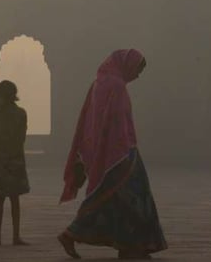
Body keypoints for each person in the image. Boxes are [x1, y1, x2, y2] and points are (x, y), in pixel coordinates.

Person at [57, 49, 168, 260]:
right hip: (120, 154)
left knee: (112, 201)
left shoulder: (100, 83)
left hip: (108, 153)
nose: (137, 75)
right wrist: (123, 150)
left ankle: (126, 246)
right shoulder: (116, 86)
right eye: (137, 70)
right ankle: (127, 244)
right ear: (126, 65)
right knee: (134, 199)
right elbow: (117, 122)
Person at [0, 80, 30, 246]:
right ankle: (1, 236)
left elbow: (19, 137)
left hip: (8, 160)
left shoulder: (17, 114)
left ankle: (12, 236)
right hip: (8, 159)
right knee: (3, 199)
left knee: (9, 199)